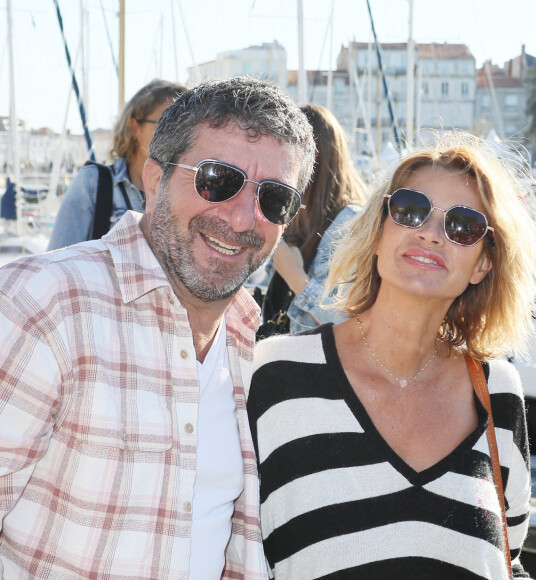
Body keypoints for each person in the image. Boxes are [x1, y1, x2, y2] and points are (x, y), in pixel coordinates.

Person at [0, 77, 315, 579]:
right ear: (154, 178)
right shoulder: (41, 307)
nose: (242, 217)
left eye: (274, 199)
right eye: (218, 179)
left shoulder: (251, 350)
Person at [248, 132, 536, 579]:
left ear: (483, 264)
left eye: (462, 226)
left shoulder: (497, 392)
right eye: (410, 210)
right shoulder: (276, 374)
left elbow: (512, 563)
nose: (430, 234)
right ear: (376, 234)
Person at [257, 103, 367, 338]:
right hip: (281, 361)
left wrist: (298, 280)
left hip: (319, 370)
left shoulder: (350, 225)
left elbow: (354, 326)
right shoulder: (291, 214)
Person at [48, 78, 187, 250]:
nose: (175, 136)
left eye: (183, 129)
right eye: (166, 124)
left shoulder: (189, 191)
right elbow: (58, 262)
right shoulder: (93, 184)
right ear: (134, 125)